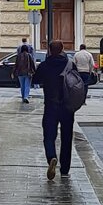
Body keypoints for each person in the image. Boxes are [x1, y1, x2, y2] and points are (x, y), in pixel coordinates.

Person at [32, 40, 77, 180]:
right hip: (67, 107)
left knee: (49, 136)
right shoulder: (70, 64)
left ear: (50, 50)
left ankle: (52, 157)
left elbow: (35, 79)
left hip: (51, 106)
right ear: (63, 49)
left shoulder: (45, 65)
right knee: (67, 138)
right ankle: (65, 169)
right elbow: (77, 81)